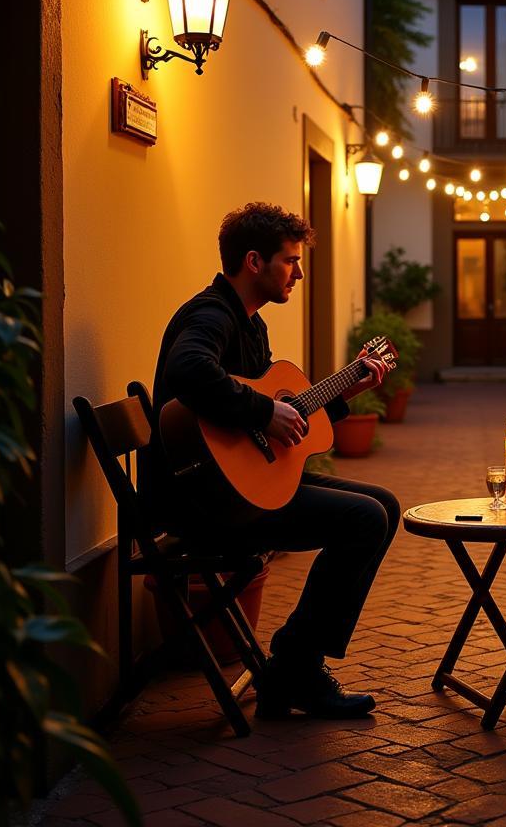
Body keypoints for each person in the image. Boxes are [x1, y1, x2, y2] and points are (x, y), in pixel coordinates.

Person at [143, 202, 399, 719]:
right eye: (290, 261)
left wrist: (348, 386)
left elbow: (288, 419)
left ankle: (292, 665)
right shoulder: (212, 314)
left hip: (233, 488)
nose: (299, 273)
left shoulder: (251, 324)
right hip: (207, 503)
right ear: (253, 261)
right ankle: (296, 669)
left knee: (384, 505)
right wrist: (263, 412)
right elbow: (190, 369)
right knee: (365, 518)